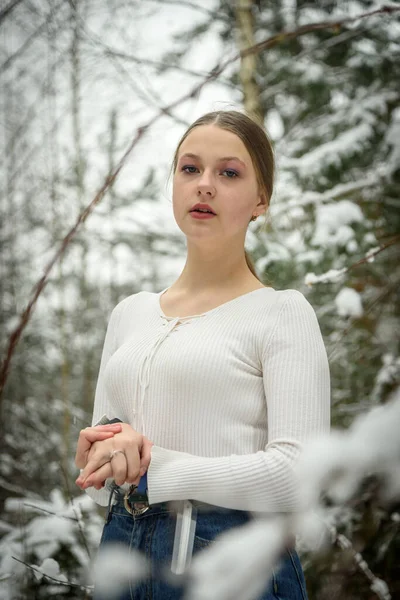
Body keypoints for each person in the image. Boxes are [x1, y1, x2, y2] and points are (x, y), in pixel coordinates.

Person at [74, 110, 331, 600]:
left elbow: (298, 476)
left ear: (261, 201)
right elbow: (108, 450)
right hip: (123, 550)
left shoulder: (281, 312)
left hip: (232, 562)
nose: (204, 185)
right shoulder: (130, 313)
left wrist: (158, 471)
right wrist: (103, 450)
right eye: (189, 169)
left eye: (228, 173)